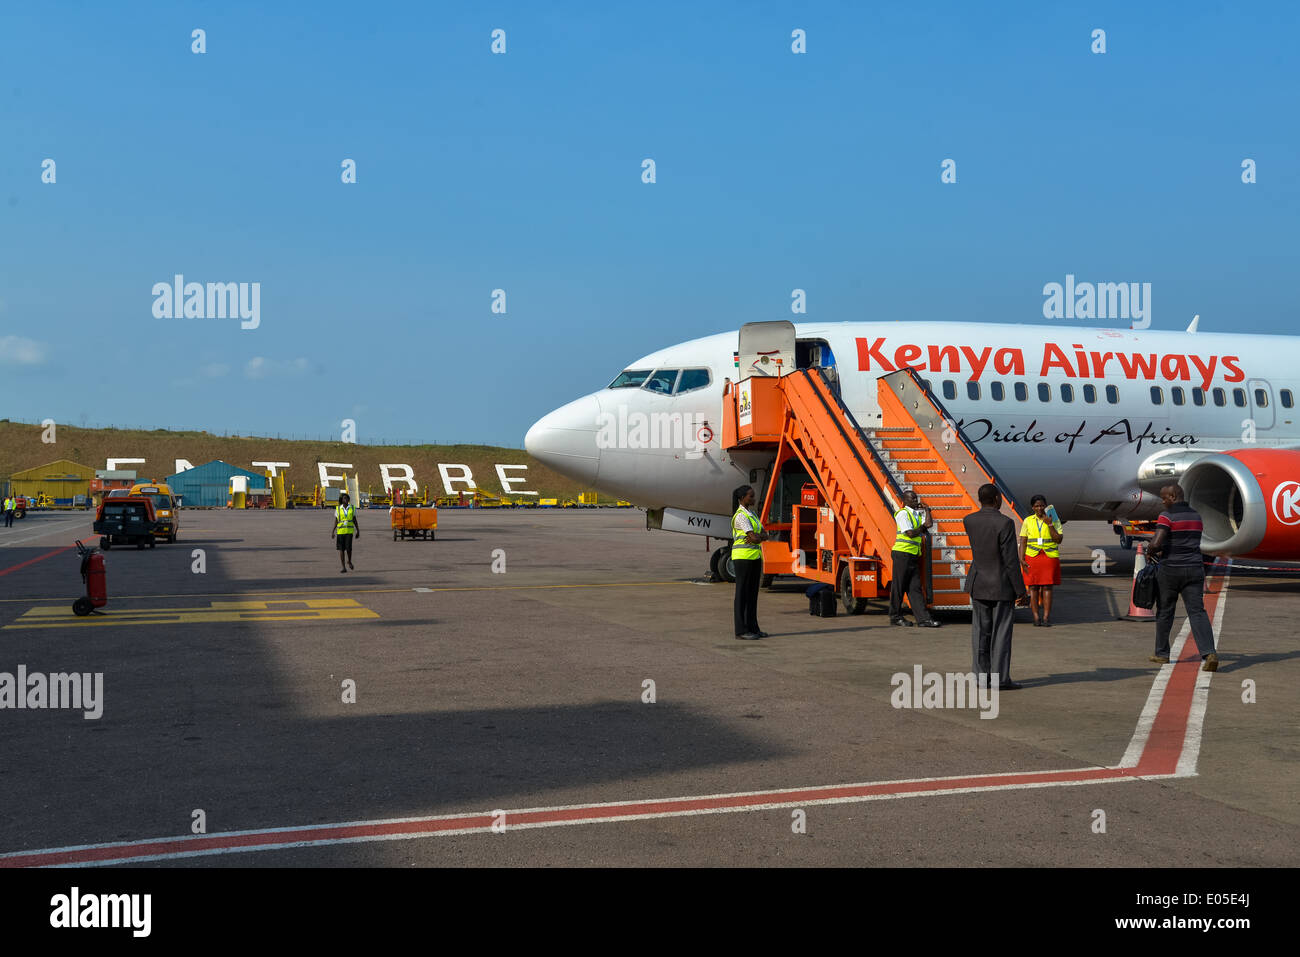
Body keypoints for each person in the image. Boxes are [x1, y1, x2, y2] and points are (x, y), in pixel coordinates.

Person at [962, 484, 1030, 690]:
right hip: (1001, 586)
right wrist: (1021, 590)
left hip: (978, 582)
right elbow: (1010, 560)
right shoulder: (1005, 523)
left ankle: (981, 678)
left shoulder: (969, 520)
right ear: (998, 499)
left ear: (980, 499)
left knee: (980, 633)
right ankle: (1000, 679)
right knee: (1000, 633)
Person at [1147, 484, 1218, 671]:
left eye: (1164, 498)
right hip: (1194, 569)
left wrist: (1150, 550)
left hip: (1171, 570)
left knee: (1165, 611)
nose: (1163, 502)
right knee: (1197, 612)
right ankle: (1209, 652)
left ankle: (1161, 654)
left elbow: (1156, 542)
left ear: (1172, 496)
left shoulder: (1167, 516)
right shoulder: (1196, 515)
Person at [889, 490, 941, 627]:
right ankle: (895, 616)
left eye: (916, 498)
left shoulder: (916, 515)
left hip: (912, 555)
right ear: (904, 501)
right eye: (912, 499)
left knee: (915, 588)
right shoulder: (902, 514)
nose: (915, 500)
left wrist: (927, 510)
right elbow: (910, 533)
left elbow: (929, 525)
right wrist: (922, 528)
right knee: (898, 587)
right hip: (902, 554)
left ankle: (923, 619)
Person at [1018, 494, 1063, 627]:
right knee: (1033, 587)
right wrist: (1021, 558)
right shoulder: (1028, 521)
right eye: (1036, 506)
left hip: (1049, 556)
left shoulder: (1053, 519)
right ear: (1032, 507)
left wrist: (1049, 525)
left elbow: (1058, 539)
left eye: (1042, 505)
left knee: (1047, 587)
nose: (1039, 508)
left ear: (1045, 506)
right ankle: (1036, 617)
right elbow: (1023, 540)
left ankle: (1046, 617)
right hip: (1032, 556)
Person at [731, 484, 767, 640]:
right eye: (750, 496)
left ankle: (753, 627)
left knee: (752, 595)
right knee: (742, 595)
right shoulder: (740, 516)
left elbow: (765, 534)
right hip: (742, 558)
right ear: (742, 498)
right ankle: (740, 630)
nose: (753, 498)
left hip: (754, 557)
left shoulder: (752, 514)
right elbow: (753, 537)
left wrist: (758, 537)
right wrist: (757, 537)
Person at [332, 492, 360, 572]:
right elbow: (336, 520)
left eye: (347, 498)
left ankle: (349, 561)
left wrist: (358, 530)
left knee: (349, 549)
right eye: (344, 498)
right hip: (340, 532)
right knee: (341, 550)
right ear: (342, 500)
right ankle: (343, 567)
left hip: (349, 532)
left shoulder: (352, 508)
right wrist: (333, 531)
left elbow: (354, 520)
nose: (346, 500)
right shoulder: (338, 509)